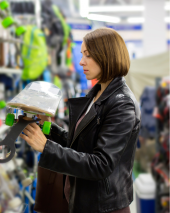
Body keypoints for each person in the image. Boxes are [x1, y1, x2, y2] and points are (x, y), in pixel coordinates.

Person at [19, 27, 140, 213]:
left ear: (106, 55)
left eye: (88, 55)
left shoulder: (122, 104)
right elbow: (82, 143)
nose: (81, 61)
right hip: (82, 200)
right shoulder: (97, 95)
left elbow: (101, 164)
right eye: (82, 54)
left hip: (104, 207)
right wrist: (47, 127)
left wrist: (46, 147)